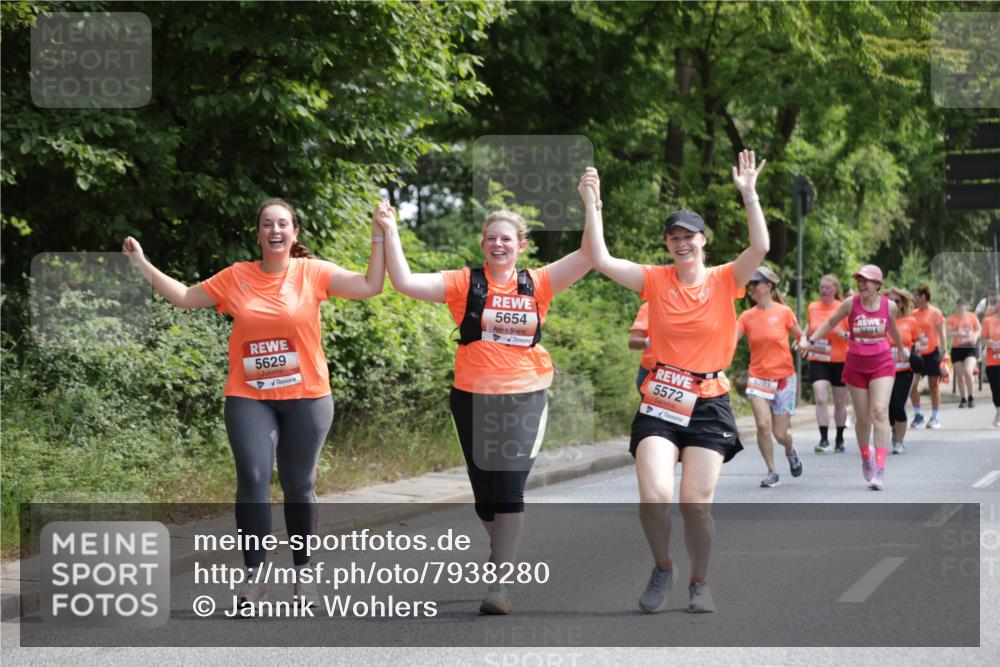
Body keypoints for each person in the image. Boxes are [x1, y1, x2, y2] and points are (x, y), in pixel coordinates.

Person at [122, 198, 387, 607]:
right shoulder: (236, 276)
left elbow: (371, 285)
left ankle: (303, 574)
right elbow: (185, 297)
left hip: (307, 395)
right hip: (249, 394)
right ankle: (255, 576)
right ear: (259, 233)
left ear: (294, 233)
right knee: (253, 476)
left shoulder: (312, 273)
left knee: (299, 485)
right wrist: (142, 263)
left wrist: (379, 235)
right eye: (268, 224)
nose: (275, 231)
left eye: (283, 224)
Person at [375, 203, 591, 615]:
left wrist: (588, 205)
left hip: (525, 394)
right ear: (483, 244)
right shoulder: (464, 283)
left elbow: (587, 256)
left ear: (521, 246)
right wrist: (389, 230)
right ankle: (501, 550)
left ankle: (500, 584)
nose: (498, 244)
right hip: (471, 396)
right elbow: (403, 282)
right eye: (491, 237)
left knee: (509, 486)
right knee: (485, 498)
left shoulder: (538, 283)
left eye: (506, 238)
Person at [581, 149, 768, 614]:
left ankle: (700, 582)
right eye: (673, 237)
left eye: (689, 236)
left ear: (703, 240)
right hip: (661, 398)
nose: (681, 243)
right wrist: (591, 206)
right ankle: (664, 566)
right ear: (667, 245)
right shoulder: (655, 280)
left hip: (709, 400)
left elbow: (760, 248)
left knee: (695, 505)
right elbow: (600, 259)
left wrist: (749, 196)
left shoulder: (726, 279)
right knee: (654, 498)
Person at [798, 265, 902, 490]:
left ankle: (880, 470)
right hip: (856, 364)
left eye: (866, 280)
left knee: (880, 412)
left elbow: (892, 329)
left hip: (882, 363)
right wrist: (810, 341)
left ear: (877, 284)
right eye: (858, 280)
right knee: (863, 419)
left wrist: (901, 348)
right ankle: (866, 456)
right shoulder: (850, 303)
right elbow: (830, 323)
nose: (861, 284)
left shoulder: (889, 306)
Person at [736, 266, 804, 487]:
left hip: (784, 379)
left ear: (769, 286)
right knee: (763, 426)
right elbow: (730, 341)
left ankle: (790, 449)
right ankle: (772, 471)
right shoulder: (746, 316)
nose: (751, 287)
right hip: (758, 378)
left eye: (755, 283)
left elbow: (800, 336)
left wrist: (802, 343)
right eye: (750, 284)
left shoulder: (784, 312)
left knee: (780, 433)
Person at [805, 275, 851, 453]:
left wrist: (844, 335)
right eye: (821, 287)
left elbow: (853, 333)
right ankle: (824, 439)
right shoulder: (813, 307)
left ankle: (839, 438)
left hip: (840, 360)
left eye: (827, 287)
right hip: (818, 359)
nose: (823, 290)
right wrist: (803, 339)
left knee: (840, 403)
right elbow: (809, 327)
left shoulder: (843, 307)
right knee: (821, 398)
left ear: (835, 289)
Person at [910, 285, 948, 429]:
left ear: (924, 297)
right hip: (917, 354)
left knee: (933, 386)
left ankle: (935, 417)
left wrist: (945, 351)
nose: (915, 298)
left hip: (932, 353)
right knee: (912, 385)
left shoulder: (935, 313)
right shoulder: (913, 314)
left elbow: (942, 333)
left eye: (917, 295)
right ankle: (918, 414)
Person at [886, 287, 919, 454]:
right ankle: (894, 428)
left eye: (897, 301)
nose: (893, 304)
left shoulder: (910, 321)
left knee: (899, 405)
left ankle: (899, 441)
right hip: (884, 371)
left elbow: (917, 344)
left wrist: (913, 356)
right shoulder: (881, 322)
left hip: (905, 371)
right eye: (890, 300)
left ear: (902, 304)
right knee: (888, 408)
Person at [947, 297, 981, 408]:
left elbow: (979, 329)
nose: (960, 307)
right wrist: (958, 333)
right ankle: (963, 399)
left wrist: (975, 337)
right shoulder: (952, 318)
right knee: (960, 375)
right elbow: (948, 332)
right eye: (958, 305)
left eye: (962, 305)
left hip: (970, 348)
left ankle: (971, 397)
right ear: (956, 306)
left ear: (966, 306)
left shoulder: (972, 316)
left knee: (967, 371)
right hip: (957, 349)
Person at [981, 294, 1000, 427]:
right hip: (992, 362)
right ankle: (998, 411)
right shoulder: (988, 321)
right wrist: (992, 343)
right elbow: (982, 340)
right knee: (996, 391)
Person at [629, 302, 655, 393]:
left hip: (685, 375)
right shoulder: (649, 307)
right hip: (650, 372)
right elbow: (632, 342)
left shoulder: (696, 306)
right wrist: (650, 341)